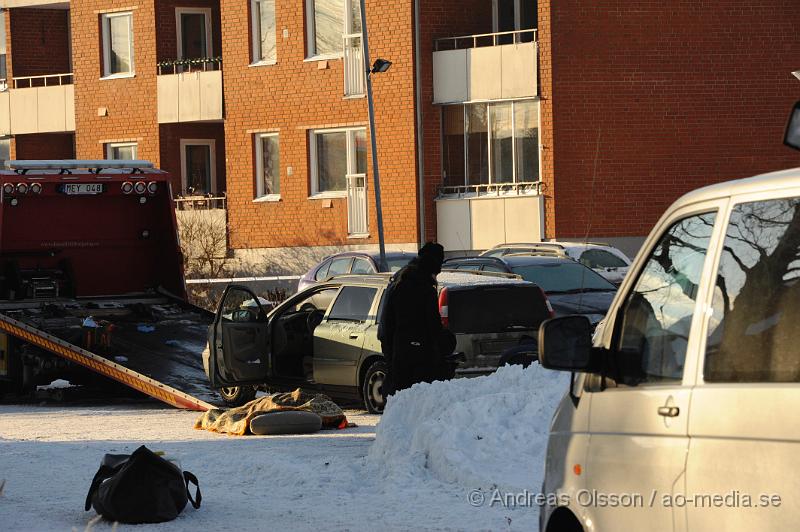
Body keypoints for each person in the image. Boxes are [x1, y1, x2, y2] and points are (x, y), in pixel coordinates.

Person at [378, 242, 447, 396]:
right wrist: (445, 343)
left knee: (401, 397)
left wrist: (390, 350)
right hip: (419, 354)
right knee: (418, 398)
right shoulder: (425, 289)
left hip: (399, 349)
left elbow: (388, 321)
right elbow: (433, 325)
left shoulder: (401, 281)